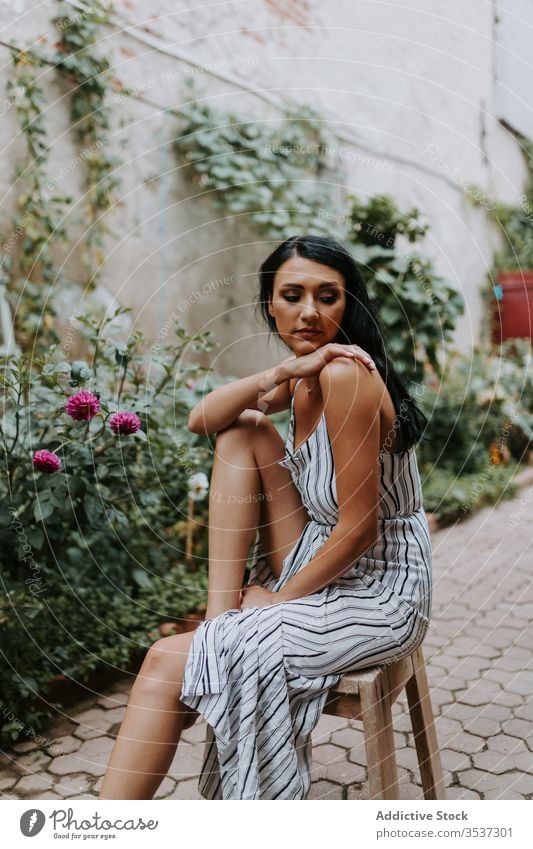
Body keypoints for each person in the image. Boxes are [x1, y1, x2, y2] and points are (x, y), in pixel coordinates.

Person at [100, 234, 432, 801]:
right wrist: (279, 373)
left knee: (165, 661)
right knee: (241, 430)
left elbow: (360, 528)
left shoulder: (347, 376)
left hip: (380, 588)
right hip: (319, 557)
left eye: (327, 296)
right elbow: (200, 419)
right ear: (270, 304)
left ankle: (104, 828)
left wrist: (279, 602)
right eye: (292, 295)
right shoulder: (310, 374)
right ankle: (218, 620)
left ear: (348, 305)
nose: (309, 311)